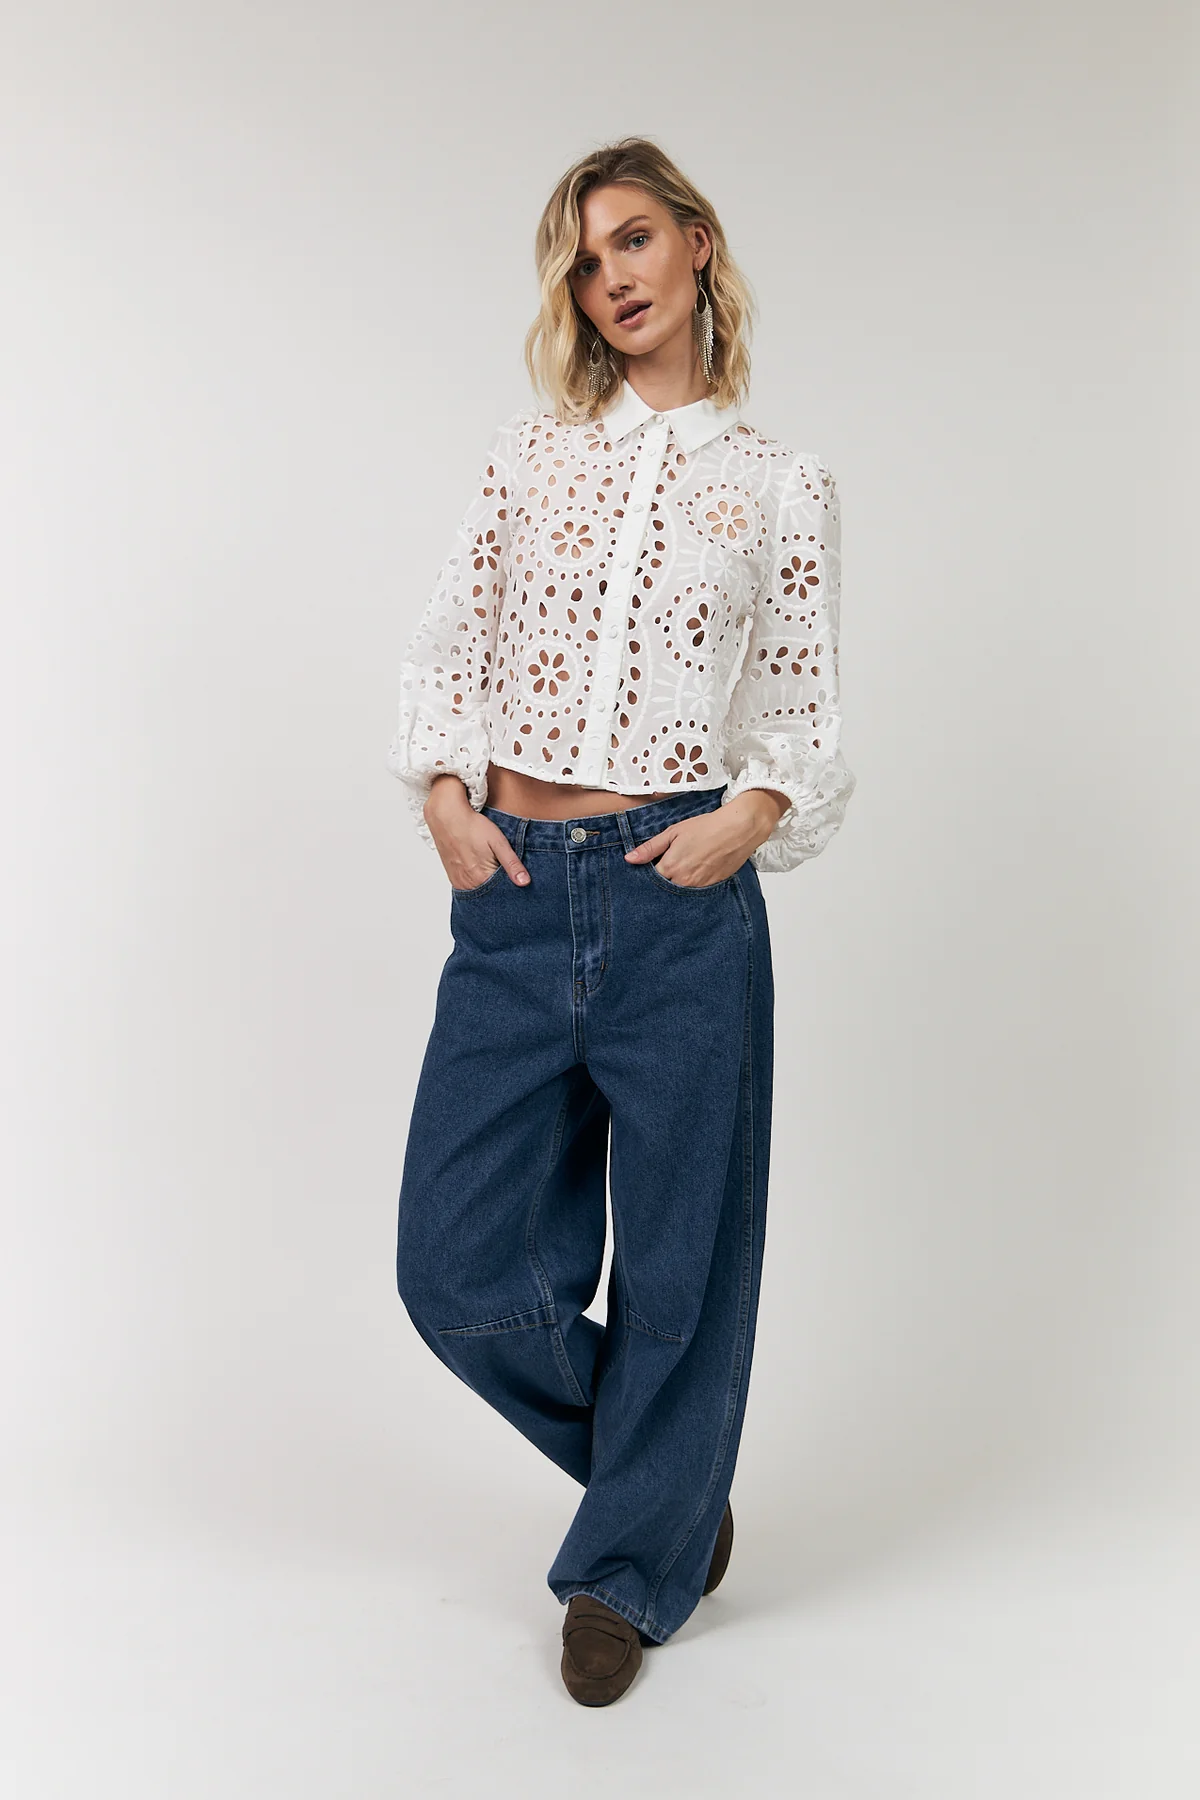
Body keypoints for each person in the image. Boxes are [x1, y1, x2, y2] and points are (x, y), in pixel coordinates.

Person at [386, 135, 856, 1706]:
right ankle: (667, 1492)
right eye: (588, 261)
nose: (613, 278)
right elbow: (451, 639)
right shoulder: (529, 459)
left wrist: (748, 817)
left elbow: (800, 708)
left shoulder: (780, 484)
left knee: (678, 1267)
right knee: (453, 1267)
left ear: (698, 244)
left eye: (636, 239)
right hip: (516, 897)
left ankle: (624, 1573)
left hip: (677, 901)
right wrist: (447, 798)